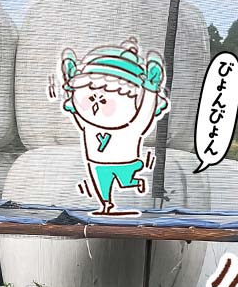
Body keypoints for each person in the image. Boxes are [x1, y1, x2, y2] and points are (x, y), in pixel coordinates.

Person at [57, 37, 170, 215]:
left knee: (125, 181)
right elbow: (76, 110)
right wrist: (69, 85)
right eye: (89, 93)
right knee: (103, 185)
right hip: (97, 162)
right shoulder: (87, 123)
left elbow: (145, 112)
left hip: (125, 161)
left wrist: (150, 90)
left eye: (109, 95)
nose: (97, 100)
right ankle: (106, 204)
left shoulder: (132, 126)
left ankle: (135, 183)